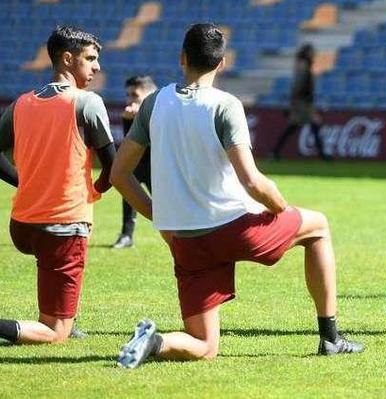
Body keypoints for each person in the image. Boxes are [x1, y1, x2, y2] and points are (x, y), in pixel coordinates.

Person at [110, 23, 363, 369]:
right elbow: (253, 182)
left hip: (185, 238)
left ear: (182, 58)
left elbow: (118, 175)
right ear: (222, 63)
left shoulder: (153, 103)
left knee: (204, 344)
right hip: (234, 228)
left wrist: (158, 214)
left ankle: (156, 341)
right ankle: (331, 338)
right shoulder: (225, 105)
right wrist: (282, 208)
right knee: (317, 227)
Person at [0, 26, 114, 345]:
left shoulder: (21, 104)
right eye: (90, 59)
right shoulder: (87, 103)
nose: (97, 67)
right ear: (67, 59)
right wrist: (97, 189)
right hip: (63, 225)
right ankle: (59, 323)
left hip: (22, 226)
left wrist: (23, 183)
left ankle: (64, 315)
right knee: (55, 334)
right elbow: (113, 167)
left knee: (52, 274)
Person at [112, 75, 156, 249]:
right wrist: (128, 121)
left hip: (156, 168)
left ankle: (179, 234)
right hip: (135, 165)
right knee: (129, 197)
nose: (130, 100)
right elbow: (130, 144)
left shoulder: (160, 112)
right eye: (128, 95)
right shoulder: (130, 114)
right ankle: (126, 235)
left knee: (165, 203)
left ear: (150, 95)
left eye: (135, 95)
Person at [272, 43, 329, 161]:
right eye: (312, 52)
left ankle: (275, 152)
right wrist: (296, 104)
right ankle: (322, 155)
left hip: (303, 103)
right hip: (302, 104)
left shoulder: (302, 66)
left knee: (298, 128)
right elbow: (299, 87)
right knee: (310, 126)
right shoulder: (303, 66)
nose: (314, 55)